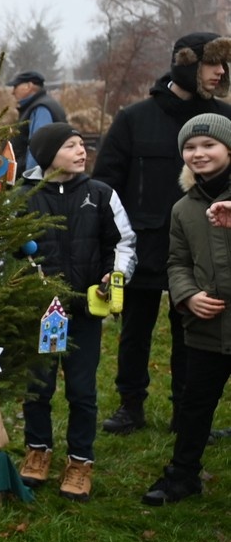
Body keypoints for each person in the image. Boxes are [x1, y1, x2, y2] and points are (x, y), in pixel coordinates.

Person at [91, 31, 231, 435]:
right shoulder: (134, 118)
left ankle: (185, 412)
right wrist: (113, 245)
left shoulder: (223, 120)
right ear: (186, 65)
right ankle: (130, 404)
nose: (220, 72)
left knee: (193, 332)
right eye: (211, 63)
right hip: (144, 246)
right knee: (136, 330)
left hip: (205, 247)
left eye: (223, 65)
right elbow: (107, 185)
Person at [17, 124, 135, 501]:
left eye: (82, 145)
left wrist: (114, 275)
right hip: (42, 313)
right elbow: (7, 250)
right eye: (70, 146)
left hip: (84, 313)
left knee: (82, 390)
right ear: (48, 154)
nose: (81, 151)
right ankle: (37, 451)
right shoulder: (24, 197)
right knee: (38, 387)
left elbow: (123, 242)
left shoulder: (100, 195)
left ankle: (80, 461)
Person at [150, 113, 231, 504]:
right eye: (190, 147)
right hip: (207, 328)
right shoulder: (183, 209)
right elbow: (177, 262)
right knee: (195, 403)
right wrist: (187, 295)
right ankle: (182, 475)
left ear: (228, 148)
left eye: (208, 145)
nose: (198, 154)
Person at [8, 70, 68, 179]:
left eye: (15, 86)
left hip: (36, 181)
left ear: (29, 86)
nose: (13, 92)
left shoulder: (41, 108)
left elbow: (38, 147)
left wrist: (31, 179)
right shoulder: (39, 105)